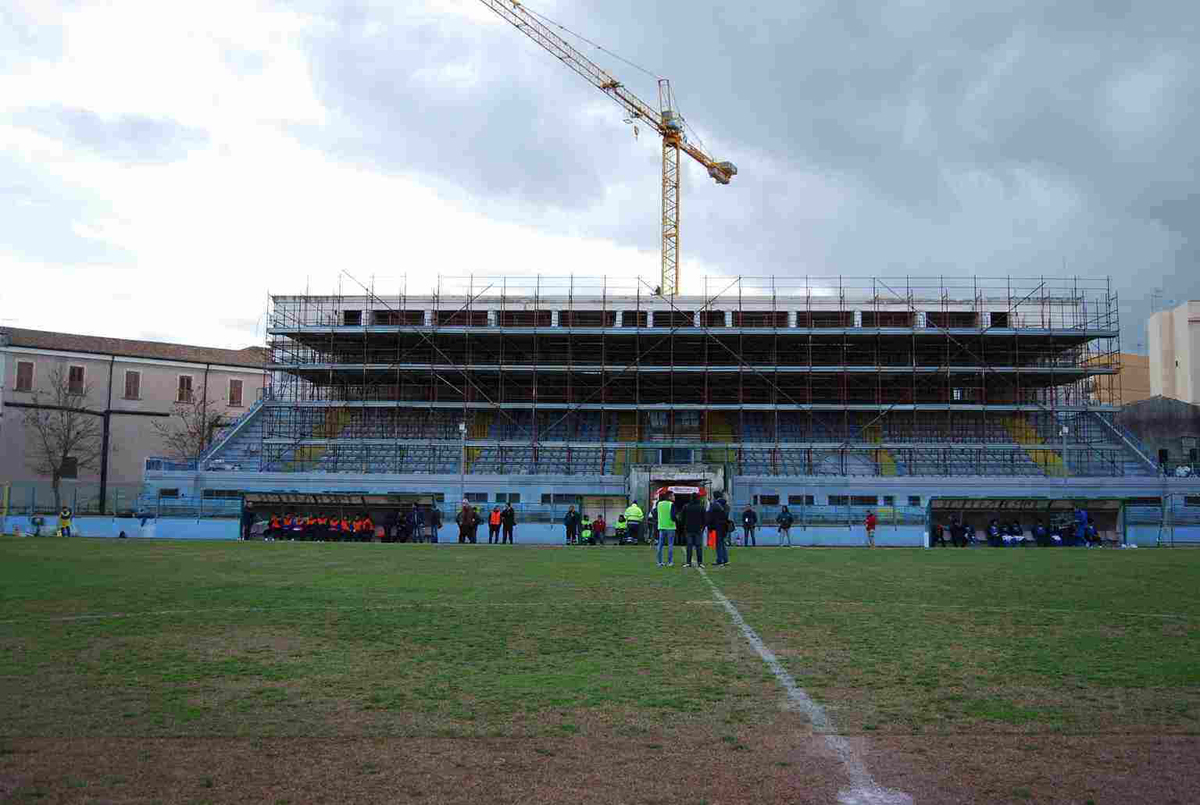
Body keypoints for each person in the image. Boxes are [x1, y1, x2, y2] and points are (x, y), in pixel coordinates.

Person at [680, 494, 707, 568]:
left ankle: (688, 562)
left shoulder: (686, 506)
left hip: (688, 529)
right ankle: (700, 562)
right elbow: (705, 519)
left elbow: (682, 518)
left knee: (689, 546)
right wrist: (702, 528)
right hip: (698, 529)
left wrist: (684, 527)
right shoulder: (701, 507)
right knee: (699, 546)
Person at [655, 492, 677, 567]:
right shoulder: (671, 504)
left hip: (661, 526)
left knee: (660, 545)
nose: (674, 497)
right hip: (670, 527)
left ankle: (659, 562)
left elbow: (654, 512)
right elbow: (673, 517)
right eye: (673, 495)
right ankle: (670, 562)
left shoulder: (659, 504)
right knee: (670, 545)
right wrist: (677, 519)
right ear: (669, 497)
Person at [709, 493, 730, 567]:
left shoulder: (714, 505)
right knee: (723, 543)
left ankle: (719, 560)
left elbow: (710, 516)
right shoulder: (726, 505)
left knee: (718, 544)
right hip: (725, 526)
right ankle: (726, 559)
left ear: (714, 497)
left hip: (717, 526)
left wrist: (710, 526)